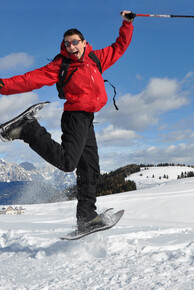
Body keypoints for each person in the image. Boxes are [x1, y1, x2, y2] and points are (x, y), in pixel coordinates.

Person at [0, 11, 134, 231]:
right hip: (75, 117)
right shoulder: (61, 65)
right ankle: (27, 129)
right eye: (66, 44)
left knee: (90, 169)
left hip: (88, 119)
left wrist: (127, 24)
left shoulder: (95, 58)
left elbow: (119, 47)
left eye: (74, 42)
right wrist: (3, 86)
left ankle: (86, 216)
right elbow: (30, 79)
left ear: (84, 42)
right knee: (67, 163)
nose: (71, 47)